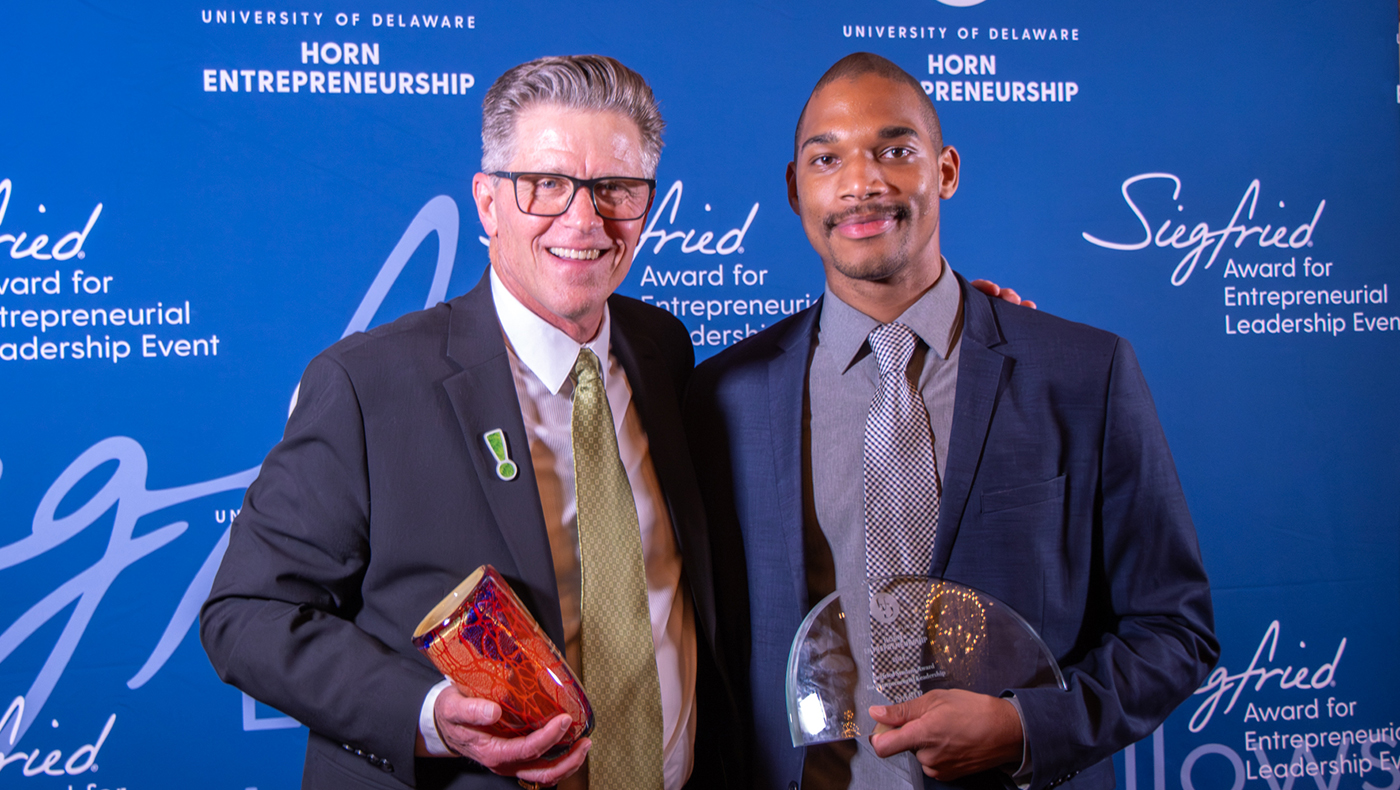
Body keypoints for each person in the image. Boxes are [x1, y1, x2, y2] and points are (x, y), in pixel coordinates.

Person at [200, 55, 741, 790]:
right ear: (488, 203)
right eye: (546, 185)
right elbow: (246, 614)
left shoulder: (662, 349)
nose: (583, 220)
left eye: (614, 189)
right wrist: (428, 714)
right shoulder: (367, 386)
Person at [686, 53, 1218, 790]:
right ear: (794, 188)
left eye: (895, 151)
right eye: (827, 158)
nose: (863, 181)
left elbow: (1174, 630)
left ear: (946, 169)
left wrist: (1027, 728)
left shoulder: (1081, 373)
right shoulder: (725, 399)